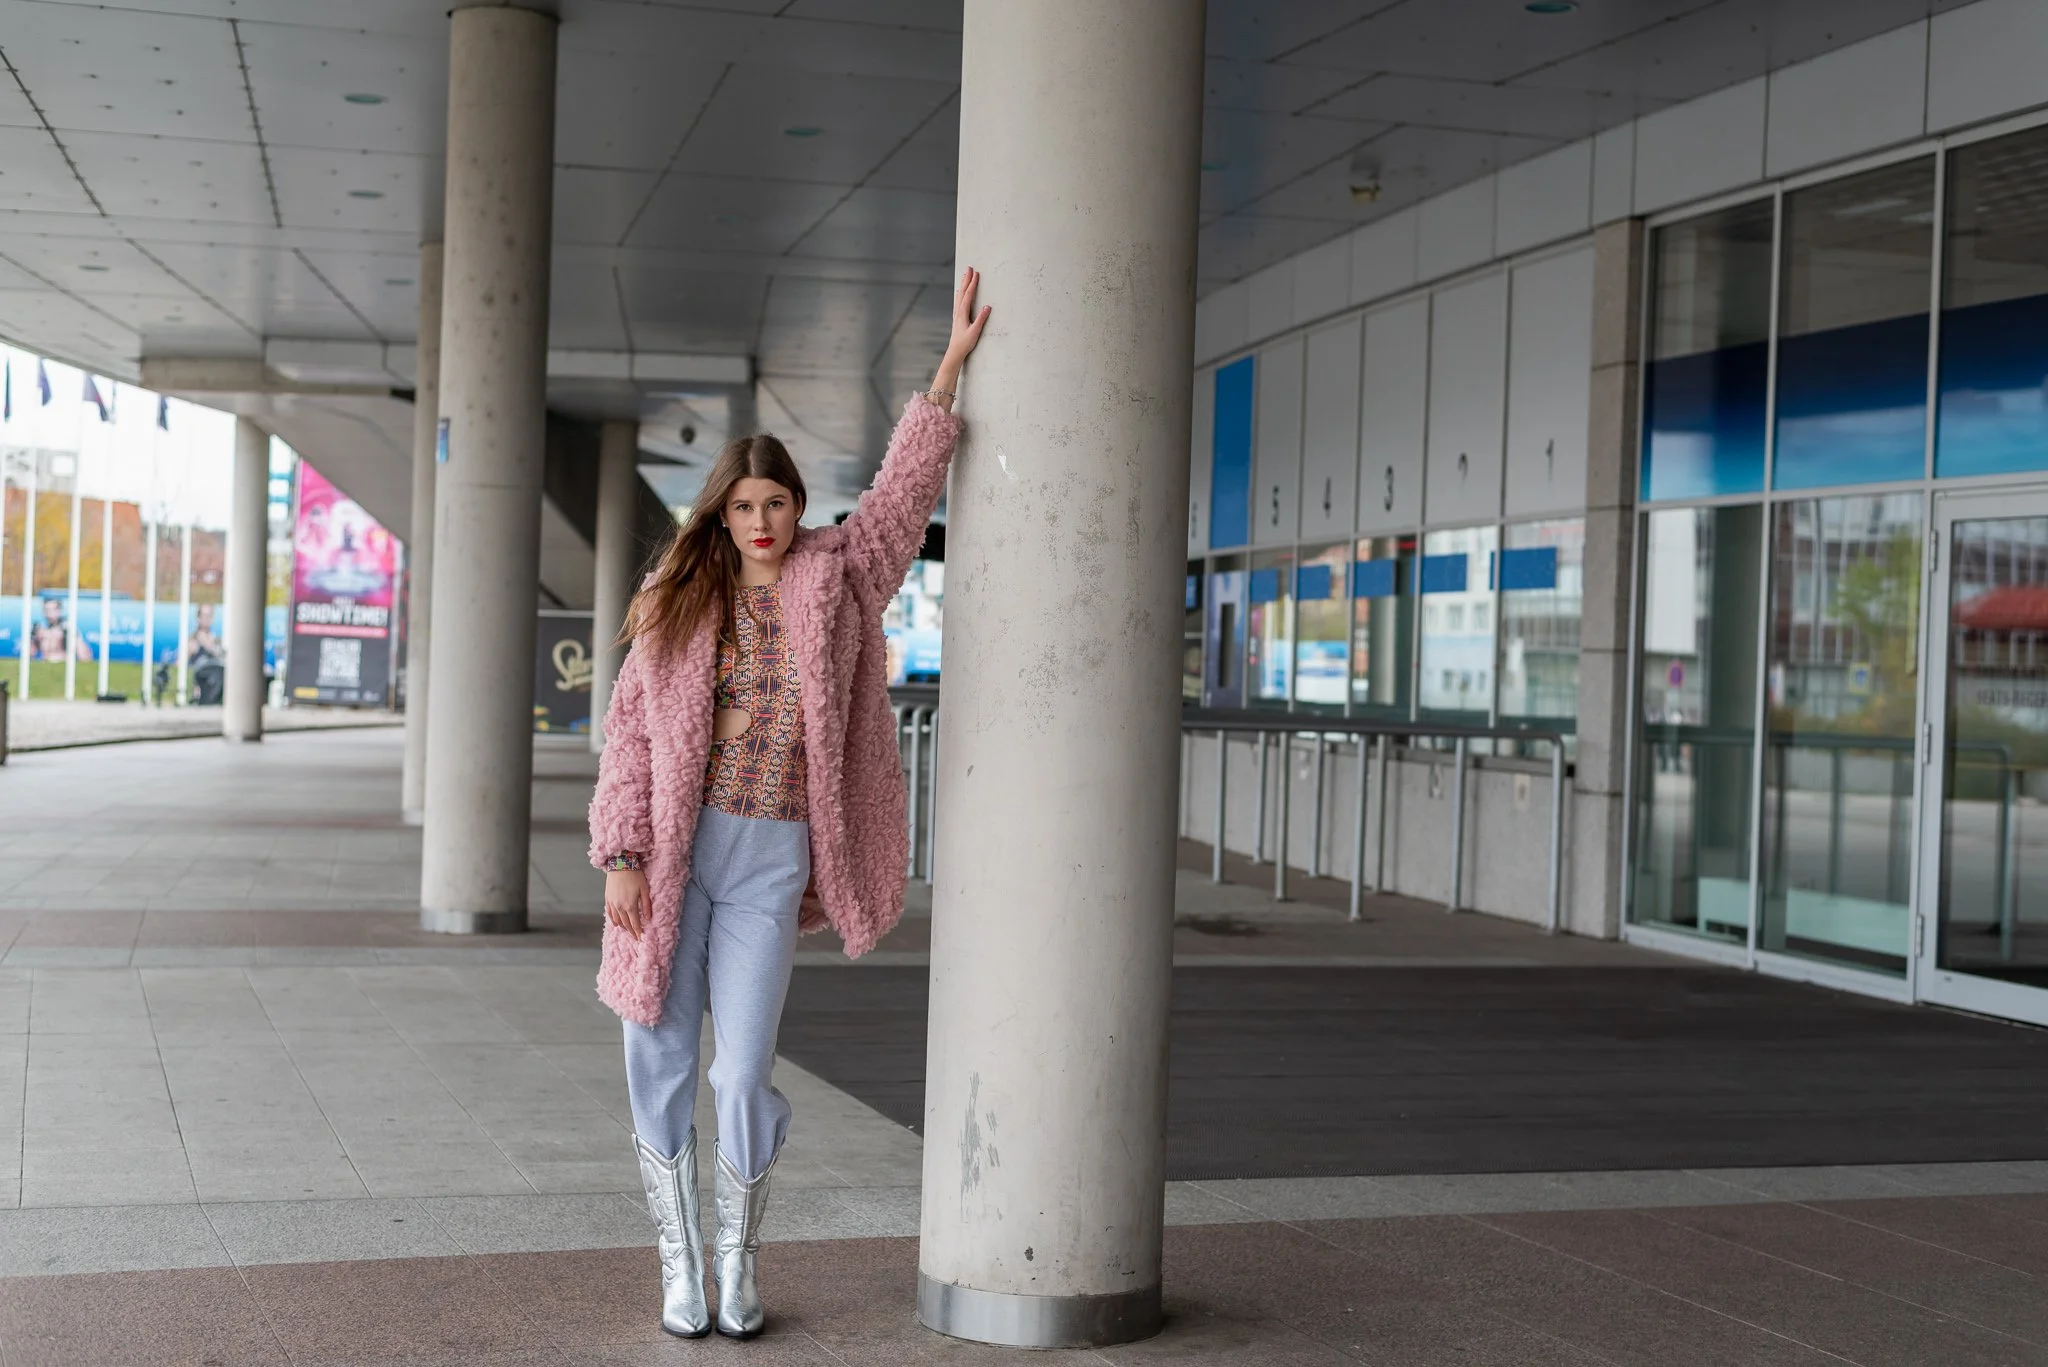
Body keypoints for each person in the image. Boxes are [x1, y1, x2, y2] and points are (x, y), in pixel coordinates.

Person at [588, 267, 989, 1340]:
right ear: (718, 512)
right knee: (658, 1048)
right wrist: (622, 850)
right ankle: (679, 1265)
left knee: (742, 1064)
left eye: (775, 503)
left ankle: (738, 1254)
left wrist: (947, 370)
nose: (760, 520)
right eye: (742, 505)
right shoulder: (680, 598)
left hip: (772, 857)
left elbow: (902, 497)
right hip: (676, 852)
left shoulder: (839, 574)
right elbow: (629, 730)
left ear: (797, 509)